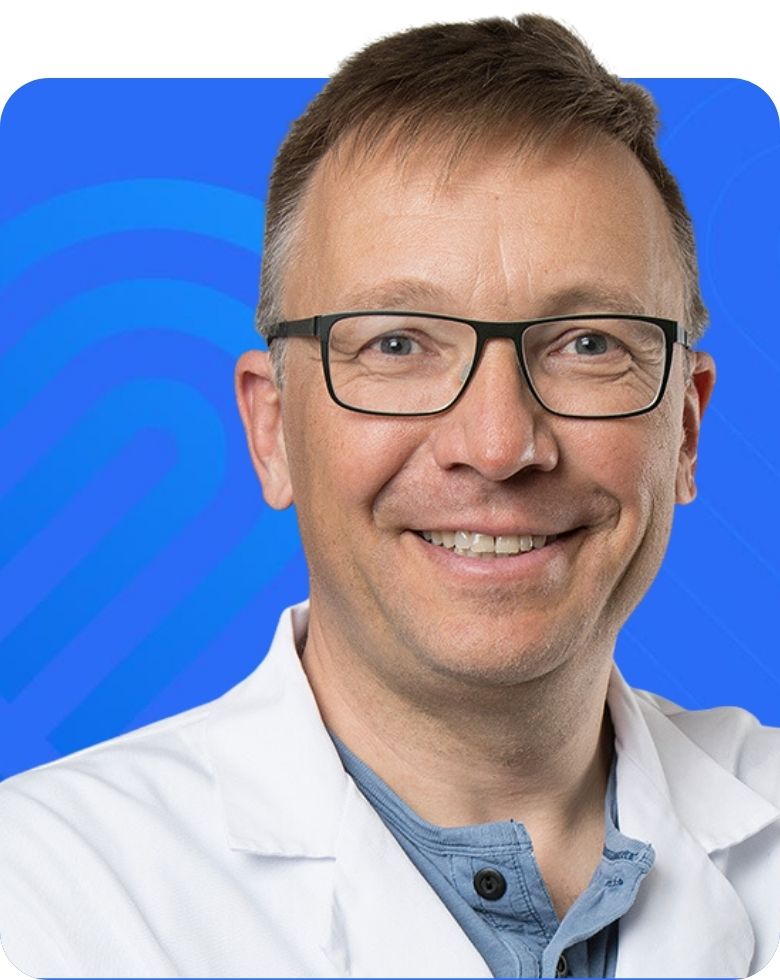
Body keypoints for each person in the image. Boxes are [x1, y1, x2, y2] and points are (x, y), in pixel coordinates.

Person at [1, 14, 778, 980]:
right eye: (397, 344)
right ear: (272, 431)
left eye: (587, 344)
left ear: (687, 431)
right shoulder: (37, 901)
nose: (497, 446)